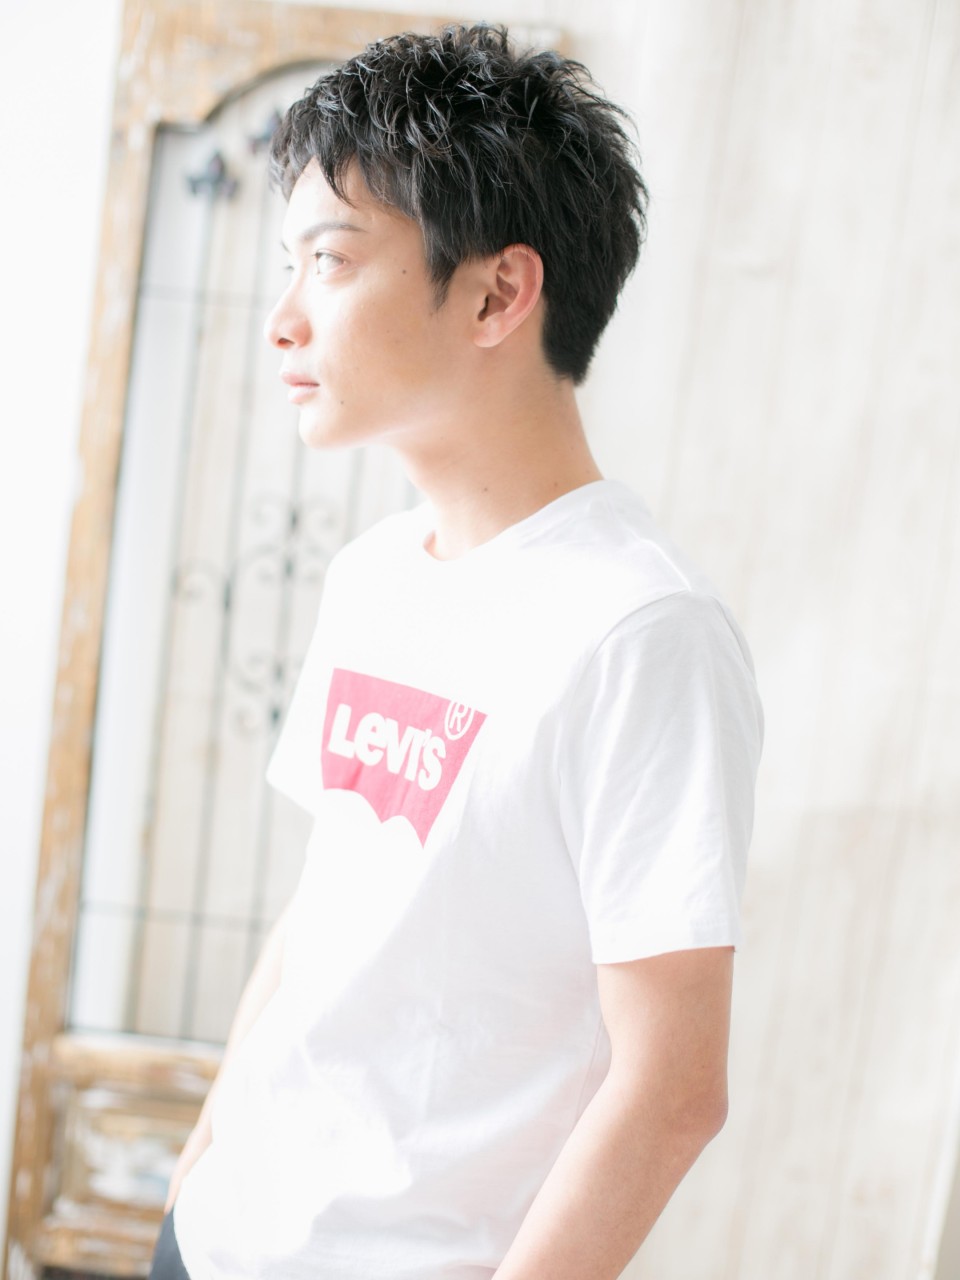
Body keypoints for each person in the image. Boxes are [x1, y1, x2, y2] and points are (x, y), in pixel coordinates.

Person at [150, 21, 763, 1280]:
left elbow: (672, 1088)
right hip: (215, 1233)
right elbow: (330, 901)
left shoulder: (642, 635)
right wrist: (210, 1145)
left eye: (330, 261)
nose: (282, 320)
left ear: (496, 293)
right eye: (287, 265)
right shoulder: (374, 574)